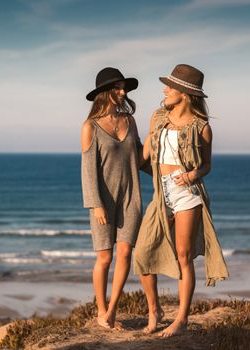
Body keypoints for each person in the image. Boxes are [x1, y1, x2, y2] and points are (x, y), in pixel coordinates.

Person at [133, 64, 229, 337]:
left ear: (185, 94)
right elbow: (144, 155)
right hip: (161, 192)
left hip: (187, 194)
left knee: (184, 257)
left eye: (170, 86)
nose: (165, 89)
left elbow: (207, 165)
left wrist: (191, 175)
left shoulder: (202, 128)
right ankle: (155, 312)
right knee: (142, 255)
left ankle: (182, 319)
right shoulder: (158, 116)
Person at [81, 67, 144, 330]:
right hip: (103, 201)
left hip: (131, 196)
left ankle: (112, 311)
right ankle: (101, 309)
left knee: (126, 252)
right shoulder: (90, 127)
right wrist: (96, 203)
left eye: (124, 88)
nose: (122, 92)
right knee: (105, 258)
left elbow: (140, 159)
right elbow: (88, 170)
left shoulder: (130, 121)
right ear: (105, 92)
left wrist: (169, 172)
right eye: (117, 88)